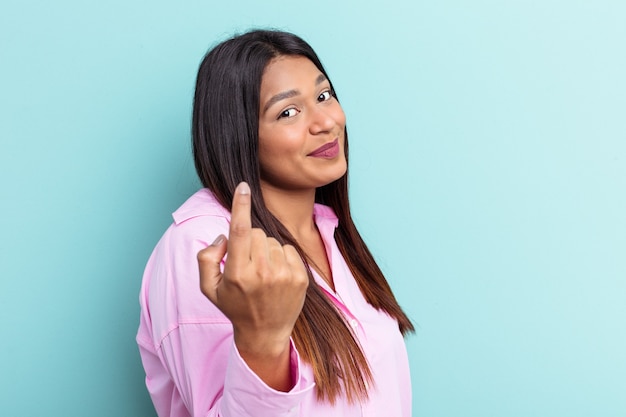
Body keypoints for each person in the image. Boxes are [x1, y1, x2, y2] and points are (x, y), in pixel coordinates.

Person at [136, 29, 414, 417]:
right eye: (288, 112)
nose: (325, 122)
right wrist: (261, 343)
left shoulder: (329, 232)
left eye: (323, 96)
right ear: (239, 135)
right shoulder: (201, 246)